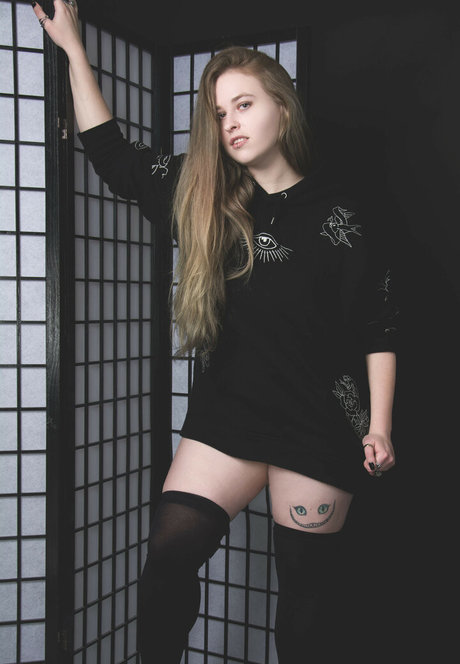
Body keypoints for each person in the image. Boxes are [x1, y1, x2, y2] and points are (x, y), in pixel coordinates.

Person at [32, 1, 399, 661]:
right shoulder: (205, 197)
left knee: (305, 609)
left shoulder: (342, 213)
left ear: (282, 107)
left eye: (244, 105)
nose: (230, 122)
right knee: (167, 562)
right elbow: (111, 155)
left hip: (317, 420)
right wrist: (74, 48)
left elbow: (378, 322)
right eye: (219, 112)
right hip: (228, 413)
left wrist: (380, 426)